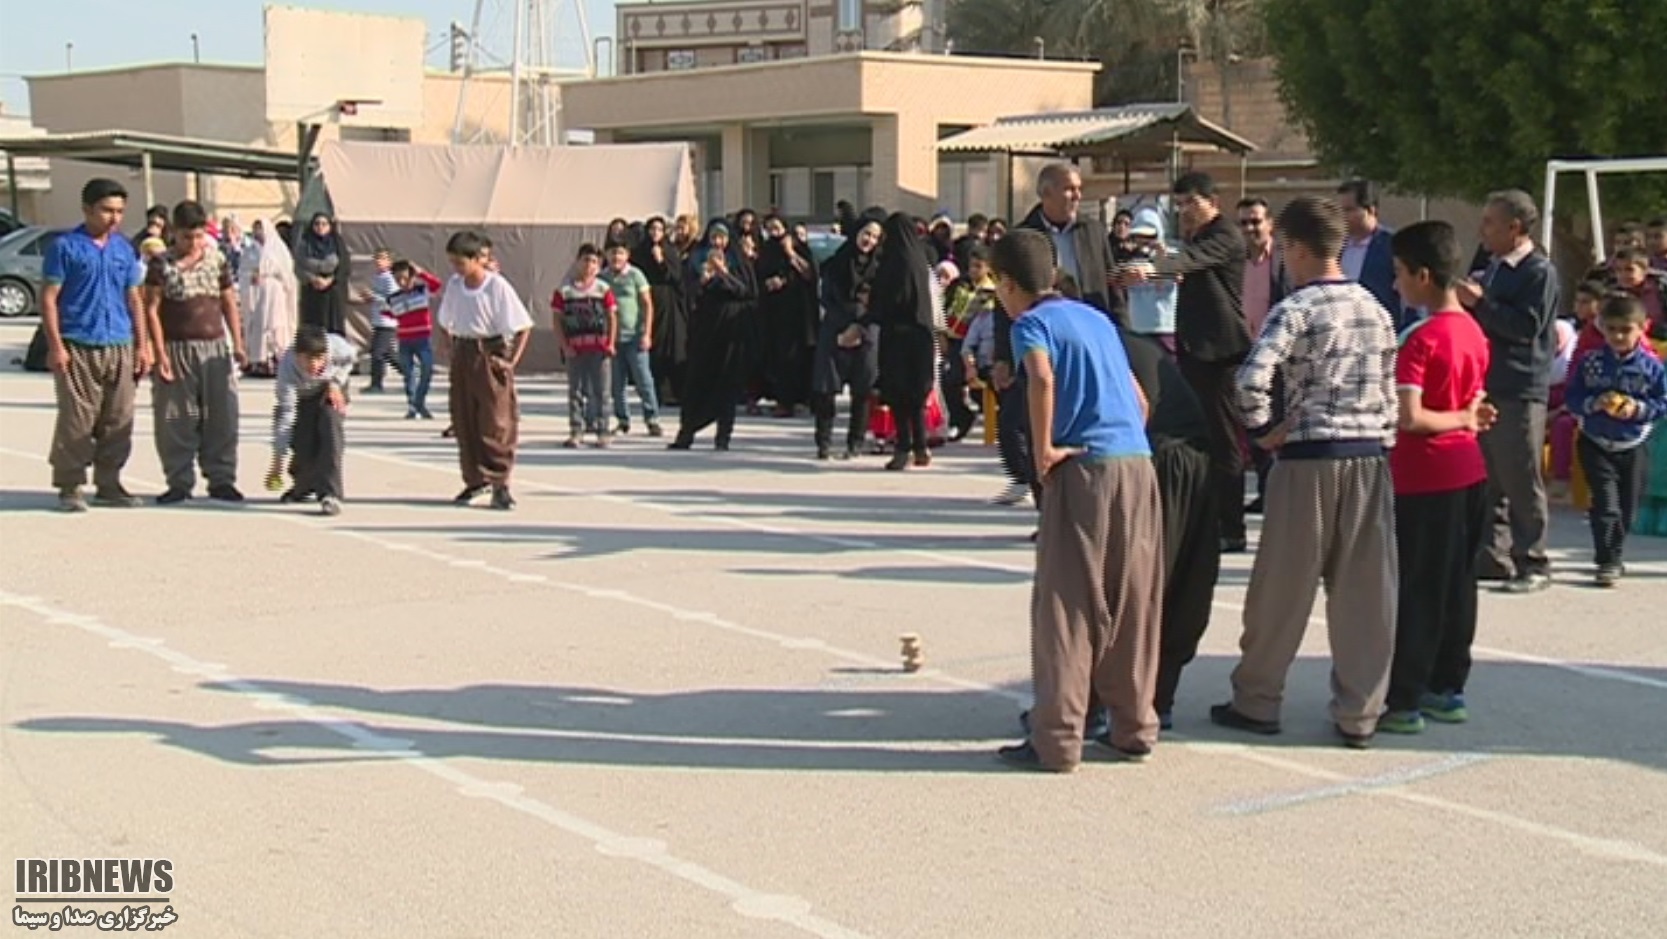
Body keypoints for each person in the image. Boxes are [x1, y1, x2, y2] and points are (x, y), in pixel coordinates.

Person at [1214, 196, 1398, 750]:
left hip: (1309, 457)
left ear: (1293, 248)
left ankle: (1258, 699)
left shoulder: (1295, 308)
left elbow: (1249, 380)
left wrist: (1263, 429)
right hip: (1369, 455)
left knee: (1281, 590)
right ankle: (1360, 711)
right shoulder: (1376, 308)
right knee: (1367, 593)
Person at [990, 230, 1162, 773]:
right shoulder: (1095, 318)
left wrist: (1042, 452)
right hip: (1135, 462)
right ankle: (1134, 725)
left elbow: (1041, 376)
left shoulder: (1030, 324)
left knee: (1066, 604)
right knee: (1132, 598)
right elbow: (1138, 397)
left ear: (1008, 284)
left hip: (1082, 465)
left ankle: (1058, 736)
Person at [1379, 221, 1495, 735]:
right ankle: (1448, 685)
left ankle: (1404, 697)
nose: (1396, 283)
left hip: (1426, 478)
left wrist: (1463, 419)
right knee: (1457, 584)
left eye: (1400, 273)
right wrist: (1470, 418)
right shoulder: (1474, 329)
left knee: (1419, 587)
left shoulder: (1422, 339)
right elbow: (1474, 401)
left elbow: (1413, 417)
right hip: (1469, 471)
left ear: (1424, 275)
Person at [1130, 172, 1251, 551]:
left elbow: (1194, 261)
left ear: (1212, 200)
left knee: (1223, 439)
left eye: (1190, 203)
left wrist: (1154, 268)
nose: (1183, 211)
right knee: (1197, 436)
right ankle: (1203, 517)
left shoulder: (1224, 234)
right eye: (1178, 204)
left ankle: (1231, 526)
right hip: (1195, 349)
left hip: (1222, 352)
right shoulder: (1194, 238)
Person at [1457, 190, 1561, 592]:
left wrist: (1480, 303)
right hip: (1487, 382)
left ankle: (1533, 559)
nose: (1482, 230)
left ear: (1514, 228)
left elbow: (1525, 326)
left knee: (1519, 472)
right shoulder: (1495, 265)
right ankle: (1492, 555)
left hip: (1519, 385)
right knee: (1489, 474)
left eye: (1490, 222)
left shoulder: (1538, 271)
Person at [42, 178, 152, 512]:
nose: (114, 218)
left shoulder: (123, 249)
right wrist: (56, 346)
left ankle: (109, 482)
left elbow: (135, 299)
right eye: (106, 210)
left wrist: (142, 346)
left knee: (119, 418)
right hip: (78, 343)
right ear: (88, 209)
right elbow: (49, 299)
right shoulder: (65, 248)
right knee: (77, 419)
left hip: (119, 342)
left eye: (119, 211)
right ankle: (70, 484)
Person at [144, 200, 247, 504]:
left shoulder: (217, 260)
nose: (193, 243)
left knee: (222, 416)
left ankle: (222, 478)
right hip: (176, 349)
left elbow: (229, 302)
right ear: (174, 233)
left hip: (214, 346)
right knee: (176, 418)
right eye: (187, 237)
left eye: (199, 236)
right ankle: (178, 480)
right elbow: (151, 310)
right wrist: (159, 353)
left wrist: (238, 344)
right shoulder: (161, 264)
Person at [1565, 293, 1667, 586]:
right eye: (1611, 329)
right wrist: (1594, 404)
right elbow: (1573, 397)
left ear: (1642, 327)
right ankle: (1606, 561)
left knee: (1627, 509)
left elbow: (1663, 402)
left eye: (1626, 329)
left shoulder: (1652, 367)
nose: (1618, 336)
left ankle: (1616, 554)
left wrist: (1637, 409)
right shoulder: (1591, 362)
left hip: (1634, 444)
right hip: (1595, 441)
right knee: (1605, 504)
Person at [436, 230, 534, 510]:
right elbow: (445, 319)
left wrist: (510, 361)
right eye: (453, 262)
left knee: (496, 419)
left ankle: (500, 482)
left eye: (461, 262)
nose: (456, 269)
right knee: (465, 417)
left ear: (478, 259)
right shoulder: (455, 285)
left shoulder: (496, 286)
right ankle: (474, 478)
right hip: (464, 351)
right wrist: (449, 346)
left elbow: (522, 325)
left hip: (490, 351)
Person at [844, 212, 937, 470]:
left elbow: (886, 302)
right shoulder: (920, 260)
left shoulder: (894, 263)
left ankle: (903, 447)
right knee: (916, 395)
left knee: (899, 395)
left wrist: (862, 323)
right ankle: (920, 446)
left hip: (898, 337)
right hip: (923, 335)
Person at [669, 220, 757, 451]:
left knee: (727, 382)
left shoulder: (739, 261)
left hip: (731, 330)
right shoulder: (697, 260)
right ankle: (686, 432)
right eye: (714, 237)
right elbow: (687, 292)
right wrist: (703, 281)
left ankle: (723, 436)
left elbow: (747, 292)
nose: (718, 242)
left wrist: (724, 274)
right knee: (697, 380)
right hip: (705, 329)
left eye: (723, 238)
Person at [811, 212, 884, 460]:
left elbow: (881, 303)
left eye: (875, 236)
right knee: (826, 389)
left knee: (862, 391)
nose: (869, 240)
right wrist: (843, 326)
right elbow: (826, 296)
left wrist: (859, 327)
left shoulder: (881, 268)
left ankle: (855, 442)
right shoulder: (836, 263)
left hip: (867, 331)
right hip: (835, 328)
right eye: (866, 234)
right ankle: (823, 442)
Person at [267, 326, 356, 516]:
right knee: (303, 441)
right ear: (297, 355)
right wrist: (278, 459)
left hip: (331, 387)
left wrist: (335, 382)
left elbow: (350, 359)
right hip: (303, 397)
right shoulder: (287, 369)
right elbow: (286, 417)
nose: (315, 365)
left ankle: (331, 495)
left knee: (330, 428)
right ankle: (304, 484)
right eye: (308, 359)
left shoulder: (338, 347)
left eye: (319, 358)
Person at [553, 243, 619, 449]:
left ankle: (603, 430)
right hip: (575, 347)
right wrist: (564, 345)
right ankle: (576, 430)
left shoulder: (603, 289)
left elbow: (612, 316)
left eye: (594, 262)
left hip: (599, 348)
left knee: (602, 391)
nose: (589, 265)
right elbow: (557, 320)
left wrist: (610, 342)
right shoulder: (564, 291)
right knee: (576, 391)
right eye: (586, 260)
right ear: (577, 261)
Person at [755, 216, 820, 418]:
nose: (774, 232)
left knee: (799, 356)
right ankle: (783, 400)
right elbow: (757, 277)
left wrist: (790, 253)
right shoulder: (766, 251)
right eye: (770, 228)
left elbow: (810, 275)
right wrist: (769, 283)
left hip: (799, 312)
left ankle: (803, 398)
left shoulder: (800, 249)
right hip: (774, 312)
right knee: (779, 356)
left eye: (777, 227)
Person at [601, 240, 661, 436]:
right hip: (613, 338)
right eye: (612, 253)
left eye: (620, 253)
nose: (616, 257)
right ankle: (622, 420)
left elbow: (647, 304)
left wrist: (647, 333)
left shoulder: (636, 275)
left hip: (635, 336)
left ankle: (652, 418)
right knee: (617, 384)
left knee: (644, 380)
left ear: (627, 255)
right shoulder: (602, 278)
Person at [632, 217, 688, 407]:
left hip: (668, 303)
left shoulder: (670, 250)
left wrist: (661, 261)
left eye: (659, 229)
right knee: (652, 346)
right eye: (652, 229)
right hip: (648, 301)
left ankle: (674, 391)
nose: (655, 233)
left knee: (672, 345)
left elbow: (676, 277)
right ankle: (654, 392)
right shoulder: (640, 252)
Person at [239, 217, 298, 378]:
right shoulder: (250, 251)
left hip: (275, 292)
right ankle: (260, 363)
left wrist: (270, 274)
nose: (258, 232)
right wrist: (251, 276)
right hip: (256, 294)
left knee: (275, 324)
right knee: (258, 325)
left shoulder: (278, 249)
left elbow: (287, 273)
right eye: (256, 228)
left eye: (261, 228)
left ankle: (279, 361)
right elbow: (242, 271)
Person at [388, 259, 443, 419]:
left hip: (422, 338)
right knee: (408, 373)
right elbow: (389, 314)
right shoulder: (393, 298)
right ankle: (413, 405)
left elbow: (437, 285)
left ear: (412, 277)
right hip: (404, 340)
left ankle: (420, 401)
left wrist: (421, 273)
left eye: (405, 278)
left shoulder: (421, 290)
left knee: (426, 369)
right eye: (398, 279)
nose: (402, 282)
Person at [295, 213, 350, 336]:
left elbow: (344, 266)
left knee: (333, 327)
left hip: (333, 292)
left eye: (324, 224)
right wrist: (313, 279)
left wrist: (330, 280)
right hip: (312, 291)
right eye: (317, 224)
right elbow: (298, 266)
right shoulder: (305, 243)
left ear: (330, 226)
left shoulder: (337, 243)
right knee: (313, 328)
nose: (320, 227)